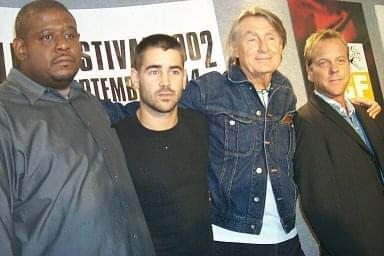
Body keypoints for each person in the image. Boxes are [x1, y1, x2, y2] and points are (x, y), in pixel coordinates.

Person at [103, 6, 381, 256]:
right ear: (234, 48)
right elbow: (151, 105)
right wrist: (76, 108)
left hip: (287, 236)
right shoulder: (212, 89)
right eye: (252, 38)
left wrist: (346, 104)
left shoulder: (285, 92)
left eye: (271, 37)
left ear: (282, 46)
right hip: (234, 241)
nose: (263, 47)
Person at [0, 1, 155, 256]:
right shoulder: (6, 114)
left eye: (70, 35)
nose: (62, 44)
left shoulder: (87, 101)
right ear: (20, 48)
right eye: (47, 36)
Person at [113, 34, 213, 256]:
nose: (166, 82)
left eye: (174, 71)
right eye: (154, 71)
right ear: (135, 78)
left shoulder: (201, 126)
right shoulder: (115, 141)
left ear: (185, 77)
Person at [293, 29, 384, 256]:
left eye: (341, 60)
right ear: (310, 71)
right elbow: (320, 207)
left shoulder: (367, 114)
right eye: (324, 63)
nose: (335, 70)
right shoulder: (306, 121)